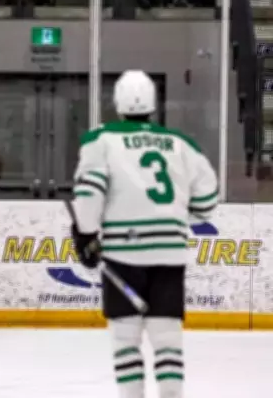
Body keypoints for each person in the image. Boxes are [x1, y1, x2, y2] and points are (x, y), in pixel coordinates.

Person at [70, 70, 218, 398]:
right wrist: (176, 218)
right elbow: (207, 201)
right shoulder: (182, 144)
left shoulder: (101, 140)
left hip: (123, 254)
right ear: (154, 104)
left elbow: (90, 192)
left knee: (126, 341)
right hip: (170, 254)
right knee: (167, 341)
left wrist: (85, 232)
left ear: (117, 103)